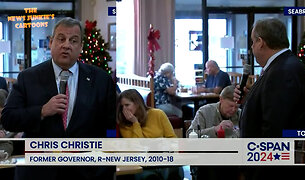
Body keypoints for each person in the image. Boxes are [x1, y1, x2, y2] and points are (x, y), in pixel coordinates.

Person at [1, 17, 116, 180]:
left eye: (73, 40)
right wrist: (41, 111)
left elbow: (110, 128)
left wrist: (107, 165)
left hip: (87, 172)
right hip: (38, 172)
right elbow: (8, 119)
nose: (66, 45)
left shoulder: (101, 80)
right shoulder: (28, 77)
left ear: (81, 47)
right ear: (51, 42)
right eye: (61, 39)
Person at [234, 17, 305, 180]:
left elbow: (274, 129)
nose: (252, 47)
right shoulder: (282, 65)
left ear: (260, 42)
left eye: (253, 42)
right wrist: (249, 100)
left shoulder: (282, 72)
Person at [117, 89, 183, 180]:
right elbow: (137, 148)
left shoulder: (157, 114)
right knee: (148, 176)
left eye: (127, 105)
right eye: (122, 107)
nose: (124, 109)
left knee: (172, 171)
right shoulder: (124, 124)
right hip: (143, 164)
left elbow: (172, 139)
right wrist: (135, 123)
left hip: (163, 158)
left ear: (137, 103)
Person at [186, 85, 241, 180]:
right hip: (208, 159)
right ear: (221, 99)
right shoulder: (205, 111)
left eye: (236, 107)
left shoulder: (240, 114)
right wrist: (215, 129)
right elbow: (190, 135)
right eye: (231, 106)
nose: (233, 110)